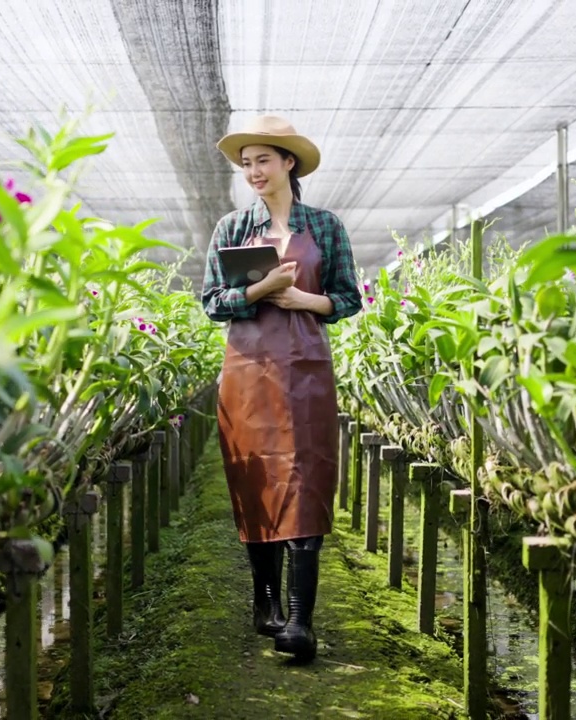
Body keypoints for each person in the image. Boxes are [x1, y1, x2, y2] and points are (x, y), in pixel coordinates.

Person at [200, 114, 362, 662]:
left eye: (262, 160)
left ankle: (300, 621)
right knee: (256, 478)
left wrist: (303, 301)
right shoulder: (231, 229)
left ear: (288, 162)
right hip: (247, 371)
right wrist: (259, 290)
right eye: (246, 164)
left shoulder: (325, 227)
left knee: (306, 475)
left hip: (306, 370)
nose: (253, 172)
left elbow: (348, 297)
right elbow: (210, 302)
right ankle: (265, 602)